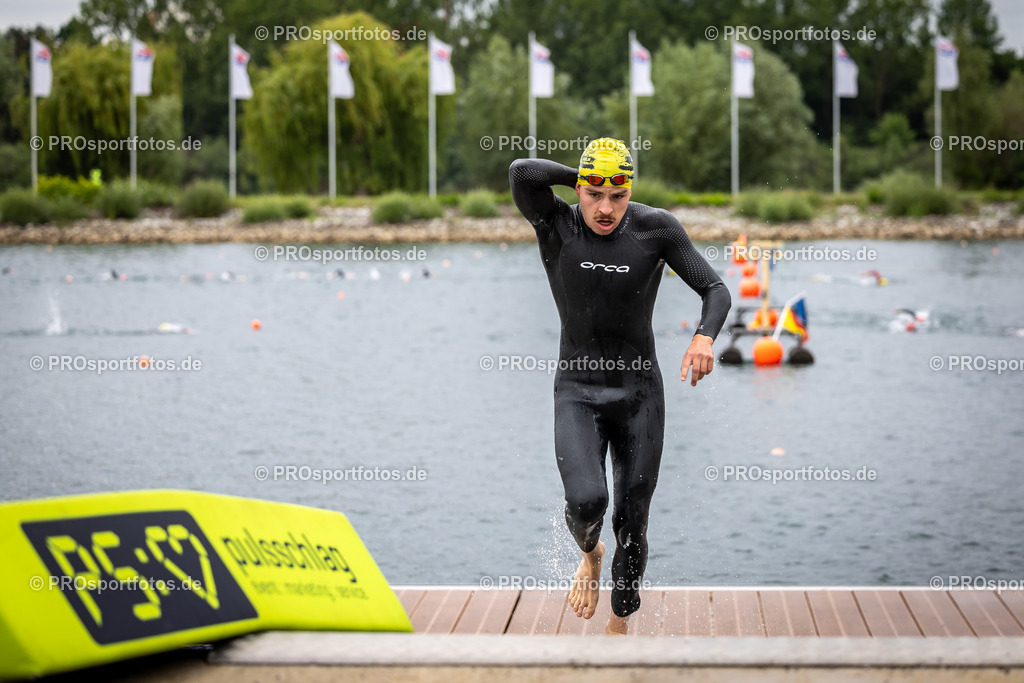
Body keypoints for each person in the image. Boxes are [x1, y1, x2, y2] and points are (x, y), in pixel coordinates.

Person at [509, 138, 731, 634]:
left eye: (619, 194)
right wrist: (583, 176)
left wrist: (704, 336)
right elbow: (522, 170)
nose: (606, 208)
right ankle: (590, 554)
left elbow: (715, 289)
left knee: (633, 521)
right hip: (578, 391)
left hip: (639, 396)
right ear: (580, 188)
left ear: (631, 190)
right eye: (594, 194)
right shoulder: (556, 222)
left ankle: (619, 626)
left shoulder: (656, 228)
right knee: (587, 501)